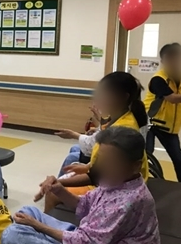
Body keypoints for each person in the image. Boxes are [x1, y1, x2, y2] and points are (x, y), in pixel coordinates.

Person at [0, 127, 160, 244]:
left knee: (12, 236)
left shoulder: (128, 202)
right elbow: (85, 204)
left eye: (111, 162)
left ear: (135, 166)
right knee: (29, 211)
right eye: (101, 160)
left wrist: (38, 226)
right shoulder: (116, 182)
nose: (102, 168)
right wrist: (59, 189)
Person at [36, 71, 149, 212]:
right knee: (67, 172)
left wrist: (58, 183)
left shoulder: (123, 128)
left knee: (53, 193)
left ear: (123, 97)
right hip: (110, 178)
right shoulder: (121, 118)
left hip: (114, 185)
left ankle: (48, 220)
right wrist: (87, 167)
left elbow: (97, 176)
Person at [144, 43, 181, 184]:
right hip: (150, 124)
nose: (174, 62)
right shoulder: (158, 79)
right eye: (169, 59)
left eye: (177, 58)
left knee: (178, 158)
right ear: (163, 61)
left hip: (169, 128)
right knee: (146, 154)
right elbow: (172, 98)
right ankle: (141, 182)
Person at [55, 106, 104, 177]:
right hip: (97, 150)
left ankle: (60, 182)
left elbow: (91, 144)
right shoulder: (113, 116)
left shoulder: (117, 120)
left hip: (102, 158)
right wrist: (97, 128)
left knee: (71, 157)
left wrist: (74, 135)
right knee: (74, 148)